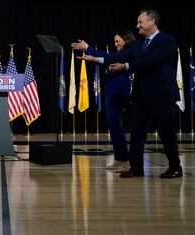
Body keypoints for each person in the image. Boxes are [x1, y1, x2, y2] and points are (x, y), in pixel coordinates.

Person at [73, 9, 182, 178]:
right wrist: (91, 51)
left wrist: (126, 66)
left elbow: (151, 61)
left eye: (140, 22)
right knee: (137, 133)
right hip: (141, 96)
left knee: (166, 133)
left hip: (162, 95)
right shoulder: (138, 45)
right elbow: (116, 56)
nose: (137, 25)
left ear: (152, 22)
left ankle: (175, 167)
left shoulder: (167, 40)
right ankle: (136, 167)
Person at [72, 30, 136, 173]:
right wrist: (93, 59)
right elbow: (108, 59)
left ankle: (125, 161)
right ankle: (119, 159)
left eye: (117, 41)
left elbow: (110, 57)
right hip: (111, 92)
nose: (115, 44)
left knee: (116, 127)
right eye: (114, 42)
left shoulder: (128, 51)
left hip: (119, 93)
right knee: (113, 127)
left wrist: (88, 49)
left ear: (125, 41)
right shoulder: (121, 53)